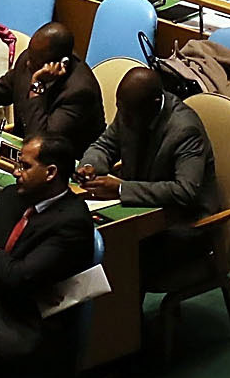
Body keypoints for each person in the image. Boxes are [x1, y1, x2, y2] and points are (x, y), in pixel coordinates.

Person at [0, 135, 98, 378]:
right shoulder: (10, 198)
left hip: (22, 326)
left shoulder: (72, 222)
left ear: (50, 173)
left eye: (25, 166)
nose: (16, 172)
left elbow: (18, 278)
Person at [82, 67, 215, 277]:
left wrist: (121, 189)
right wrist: (90, 166)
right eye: (120, 109)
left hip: (183, 225)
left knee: (118, 253)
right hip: (141, 212)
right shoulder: (131, 109)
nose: (123, 119)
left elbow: (185, 191)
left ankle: (125, 309)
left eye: (128, 114)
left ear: (154, 105)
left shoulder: (184, 130)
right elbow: (105, 145)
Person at [0, 19, 105, 157]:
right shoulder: (29, 60)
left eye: (34, 60)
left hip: (61, 169)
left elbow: (41, 142)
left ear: (61, 64)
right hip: (22, 153)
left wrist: (37, 88)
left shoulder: (80, 91)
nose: (27, 63)